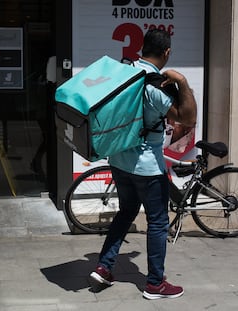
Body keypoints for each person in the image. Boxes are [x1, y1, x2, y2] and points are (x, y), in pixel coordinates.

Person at [90, 29, 197, 299]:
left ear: (142, 47)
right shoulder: (156, 86)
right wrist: (182, 82)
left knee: (126, 212)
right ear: (167, 53)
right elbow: (188, 118)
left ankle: (104, 266)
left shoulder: (125, 71)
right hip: (146, 167)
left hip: (118, 160)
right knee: (158, 222)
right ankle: (154, 284)